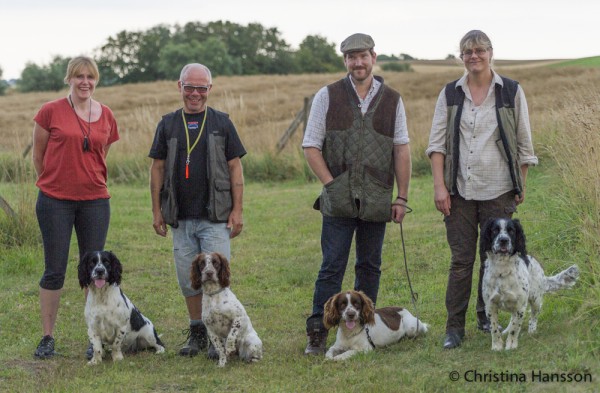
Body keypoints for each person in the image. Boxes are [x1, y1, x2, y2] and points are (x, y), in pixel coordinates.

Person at [426, 30, 538, 349]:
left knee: (493, 258)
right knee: (461, 261)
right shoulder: (450, 93)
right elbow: (436, 144)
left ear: (491, 52)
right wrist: (439, 187)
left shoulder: (511, 92)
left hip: (499, 190)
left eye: (479, 50)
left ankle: (486, 316)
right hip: (459, 191)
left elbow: (524, 143)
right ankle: (454, 328)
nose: (474, 56)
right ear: (461, 57)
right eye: (467, 52)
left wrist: (521, 184)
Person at [302, 33, 412, 355]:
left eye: (362, 55)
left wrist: (401, 197)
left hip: (377, 198)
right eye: (351, 57)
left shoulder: (393, 99)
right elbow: (311, 145)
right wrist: (331, 184)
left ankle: (366, 330)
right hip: (338, 200)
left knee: (370, 266)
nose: (358, 62)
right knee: (331, 267)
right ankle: (317, 334)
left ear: (373, 57)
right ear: (345, 61)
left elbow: (401, 149)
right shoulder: (328, 95)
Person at [149, 63, 246, 357]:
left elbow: (234, 166)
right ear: (179, 87)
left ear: (209, 90)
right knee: (189, 279)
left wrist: (238, 210)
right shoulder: (167, 124)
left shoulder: (222, 123)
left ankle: (224, 335)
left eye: (201, 88)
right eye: (189, 87)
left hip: (215, 217)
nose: (195, 93)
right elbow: (157, 168)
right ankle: (197, 332)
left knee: (217, 277)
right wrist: (156, 211)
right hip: (180, 218)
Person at [32, 56, 120, 359]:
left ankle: (93, 337)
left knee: (94, 270)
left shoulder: (106, 114)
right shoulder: (50, 111)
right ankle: (47, 337)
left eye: (90, 77)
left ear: (96, 81)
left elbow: (101, 152)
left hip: (95, 200)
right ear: (69, 79)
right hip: (55, 200)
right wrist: (54, 181)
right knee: (54, 270)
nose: (85, 82)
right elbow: (39, 155)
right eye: (79, 76)